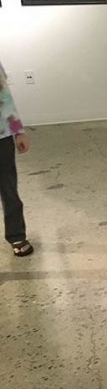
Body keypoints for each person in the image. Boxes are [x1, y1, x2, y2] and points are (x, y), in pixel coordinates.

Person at [0, 60, 32, 257]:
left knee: (8, 188)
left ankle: (16, 235)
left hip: (1, 137)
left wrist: (18, 130)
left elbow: (4, 95)